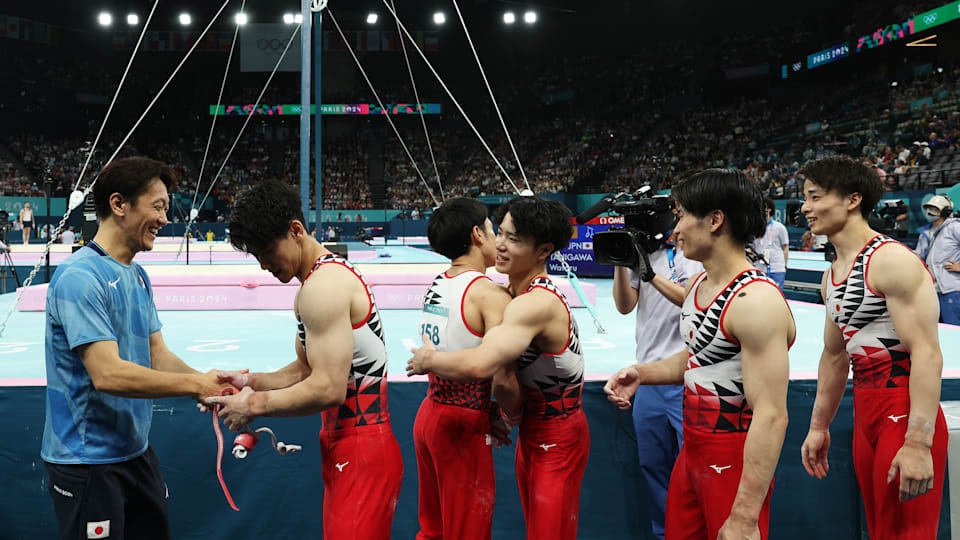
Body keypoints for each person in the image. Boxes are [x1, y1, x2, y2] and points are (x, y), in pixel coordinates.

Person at [41, 156, 227, 540]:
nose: (164, 218)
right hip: (87, 461)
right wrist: (196, 387)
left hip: (135, 453)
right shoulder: (79, 277)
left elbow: (157, 355)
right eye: (157, 207)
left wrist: (213, 382)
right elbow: (107, 374)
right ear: (118, 204)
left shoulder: (137, 275)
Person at [205, 179, 403, 540]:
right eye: (257, 255)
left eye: (267, 250)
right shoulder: (318, 280)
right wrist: (248, 383)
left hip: (362, 444)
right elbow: (306, 369)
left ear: (296, 230)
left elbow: (328, 388)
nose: (264, 265)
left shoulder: (323, 288)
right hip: (346, 442)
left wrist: (253, 405)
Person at [604, 169, 794, 540]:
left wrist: (744, 514)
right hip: (692, 451)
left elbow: (771, 415)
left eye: (681, 215)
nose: (675, 229)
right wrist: (642, 373)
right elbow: (698, 358)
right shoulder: (697, 286)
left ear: (715, 220)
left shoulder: (755, 300)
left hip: (731, 455)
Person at [408, 195, 588, 540]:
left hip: (558, 431)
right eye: (500, 233)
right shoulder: (504, 293)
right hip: (533, 430)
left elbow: (486, 363)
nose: (501, 245)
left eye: (514, 239)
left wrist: (430, 361)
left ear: (543, 251)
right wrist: (501, 413)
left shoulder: (535, 303)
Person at [799, 156, 948, 539]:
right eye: (804, 198)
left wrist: (918, 441)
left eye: (815, 196)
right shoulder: (831, 276)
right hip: (867, 411)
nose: (805, 207)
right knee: (881, 531)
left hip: (902, 410)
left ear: (852, 199)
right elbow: (834, 356)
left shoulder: (892, 261)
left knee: (906, 534)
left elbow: (927, 353)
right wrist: (819, 426)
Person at [413, 197, 518, 540]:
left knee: (434, 529)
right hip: (461, 425)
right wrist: (512, 413)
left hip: (429, 415)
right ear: (477, 234)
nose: (497, 239)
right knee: (467, 532)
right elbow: (502, 374)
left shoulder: (439, 282)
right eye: (491, 228)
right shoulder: (487, 293)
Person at [610, 216, 702, 540]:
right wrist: (623, 262)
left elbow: (692, 301)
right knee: (653, 466)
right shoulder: (643, 254)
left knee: (690, 468)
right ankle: (665, 533)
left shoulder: (690, 253)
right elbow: (624, 306)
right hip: (647, 376)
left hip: (683, 375)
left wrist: (650, 275)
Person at [914, 194, 960, 325]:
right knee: (935, 330)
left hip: (951, 290)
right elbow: (918, 257)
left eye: (934, 209)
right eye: (928, 208)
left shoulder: (954, 227)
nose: (929, 212)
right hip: (931, 291)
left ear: (945, 211)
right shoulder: (925, 233)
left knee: (954, 331)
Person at [752, 197, 789, 288]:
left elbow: (785, 247)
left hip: (777, 267)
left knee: (777, 295)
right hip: (759, 268)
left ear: (770, 211)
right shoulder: (754, 228)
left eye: (765, 210)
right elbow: (750, 248)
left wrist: (784, 265)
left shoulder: (779, 227)